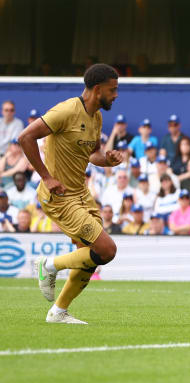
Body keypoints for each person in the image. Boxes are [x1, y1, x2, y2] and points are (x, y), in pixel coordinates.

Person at [19, 63, 123, 324]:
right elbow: (25, 137)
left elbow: (93, 154)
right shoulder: (65, 111)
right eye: (113, 90)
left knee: (90, 257)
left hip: (80, 194)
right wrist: (46, 177)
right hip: (59, 197)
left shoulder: (96, 116)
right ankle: (48, 266)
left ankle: (58, 312)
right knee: (107, 249)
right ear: (97, 89)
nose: (116, 95)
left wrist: (107, 160)